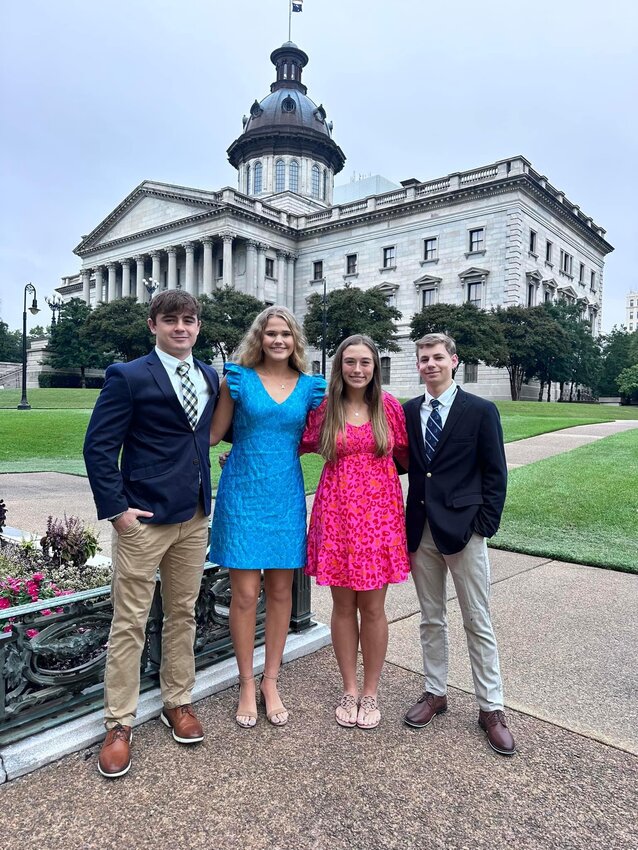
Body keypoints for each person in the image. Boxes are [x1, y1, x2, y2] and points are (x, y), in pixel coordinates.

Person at [83, 290, 219, 778]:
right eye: (171, 321)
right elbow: (98, 448)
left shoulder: (208, 376)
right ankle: (119, 723)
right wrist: (118, 512)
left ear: (198, 326)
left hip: (193, 517)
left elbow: (204, 438)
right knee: (130, 621)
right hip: (142, 522)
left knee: (182, 614)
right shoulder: (129, 376)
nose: (181, 328)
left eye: (188, 320)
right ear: (153, 325)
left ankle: (176, 701)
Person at [209, 306, 326, 728]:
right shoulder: (237, 380)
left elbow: (323, 436)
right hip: (242, 493)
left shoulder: (312, 388)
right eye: (271, 333)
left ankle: (270, 680)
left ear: (296, 341)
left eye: (286, 334)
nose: (279, 340)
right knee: (243, 594)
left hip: (285, 496)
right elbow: (212, 435)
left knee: (280, 592)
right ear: (259, 337)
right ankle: (244, 681)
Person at [402, 333, 515, 755]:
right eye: (423, 359)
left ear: (453, 360)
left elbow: (495, 473)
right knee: (431, 618)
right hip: (421, 530)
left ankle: (491, 708)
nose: (430, 364)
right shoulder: (410, 411)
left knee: (477, 620)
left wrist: (484, 525)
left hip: (465, 530)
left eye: (437, 357)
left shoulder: (481, 411)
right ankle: (435, 692)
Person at [300, 335, 410, 730]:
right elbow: (288, 444)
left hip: (380, 521)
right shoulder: (326, 410)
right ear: (339, 366)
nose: (358, 369)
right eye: (350, 362)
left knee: (374, 609)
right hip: (338, 518)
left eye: (365, 362)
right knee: (343, 607)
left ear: (375, 367)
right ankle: (349, 688)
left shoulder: (390, 408)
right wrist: (239, 453)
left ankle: (371, 692)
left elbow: (409, 456)